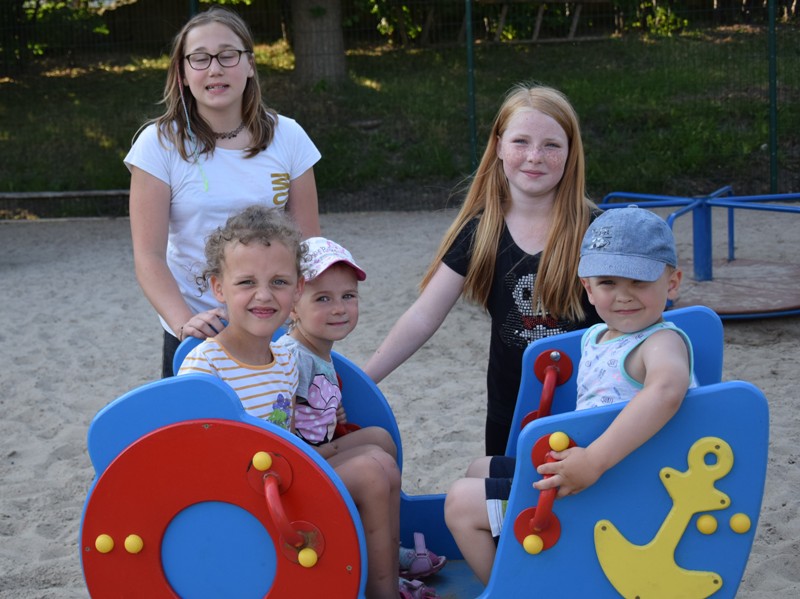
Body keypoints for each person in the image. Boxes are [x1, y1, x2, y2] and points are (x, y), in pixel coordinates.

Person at [443, 206, 695, 585]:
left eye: (639, 282)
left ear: (672, 284)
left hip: (614, 480)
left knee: (460, 505)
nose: (624, 296)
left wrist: (594, 460)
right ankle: (527, 569)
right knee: (481, 468)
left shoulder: (660, 342)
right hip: (588, 471)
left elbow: (667, 389)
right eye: (608, 282)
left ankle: (511, 590)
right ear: (588, 287)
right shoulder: (598, 335)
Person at [364, 83, 601, 456]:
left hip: (590, 405)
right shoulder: (481, 231)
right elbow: (423, 316)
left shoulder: (598, 232)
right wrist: (364, 381)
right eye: (521, 142)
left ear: (571, 152)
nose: (535, 156)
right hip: (511, 410)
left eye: (551, 145)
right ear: (499, 147)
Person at [125, 6, 321, 378]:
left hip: (275, 329)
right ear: (182, 74)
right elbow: (148, 257)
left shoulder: (289, 137)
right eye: (200, 58)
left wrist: (303, 319)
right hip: (198, 332)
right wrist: (185, 323)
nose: (215, 69)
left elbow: (309, 247)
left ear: (250, 65)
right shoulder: (158, 144)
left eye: (228, 55)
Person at [277, 237, 444, 598]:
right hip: (298, 468)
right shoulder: (290, 357)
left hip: (318, 451)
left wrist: (330, 413)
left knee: (380, 439)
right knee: (372, 471)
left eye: (348, 296)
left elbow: (312, 405)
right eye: (323, 299)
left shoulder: (315, 350)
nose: (339, 308)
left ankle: (387, 553)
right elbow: (279, 425)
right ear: (292, 307)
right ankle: (382, 589)